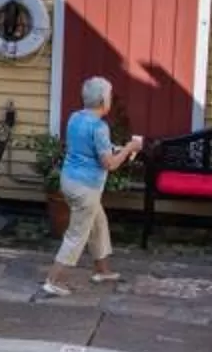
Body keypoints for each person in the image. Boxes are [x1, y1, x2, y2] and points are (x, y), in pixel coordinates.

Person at [41, 77, 143, 296]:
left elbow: (85, 148)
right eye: (110, 95)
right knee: (77, 235)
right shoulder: (99, 127)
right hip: (86, 188)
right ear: (102, 99)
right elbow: (110, 164)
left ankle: (102, 270)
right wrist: (128, 149)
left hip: (69, 181)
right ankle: (54, 280)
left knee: (99, 224)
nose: (111, 99)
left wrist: (114, 147)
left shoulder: (75, 118)